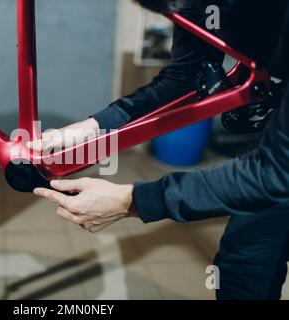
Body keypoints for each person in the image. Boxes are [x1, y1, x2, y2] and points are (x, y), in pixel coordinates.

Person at [30, 0, 289, 299]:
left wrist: (132, 201)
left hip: (278, 164)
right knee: (243, 268)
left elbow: (273, 174)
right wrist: (91, 128)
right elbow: (185, 77)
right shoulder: (199, 5)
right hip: (276, 145)